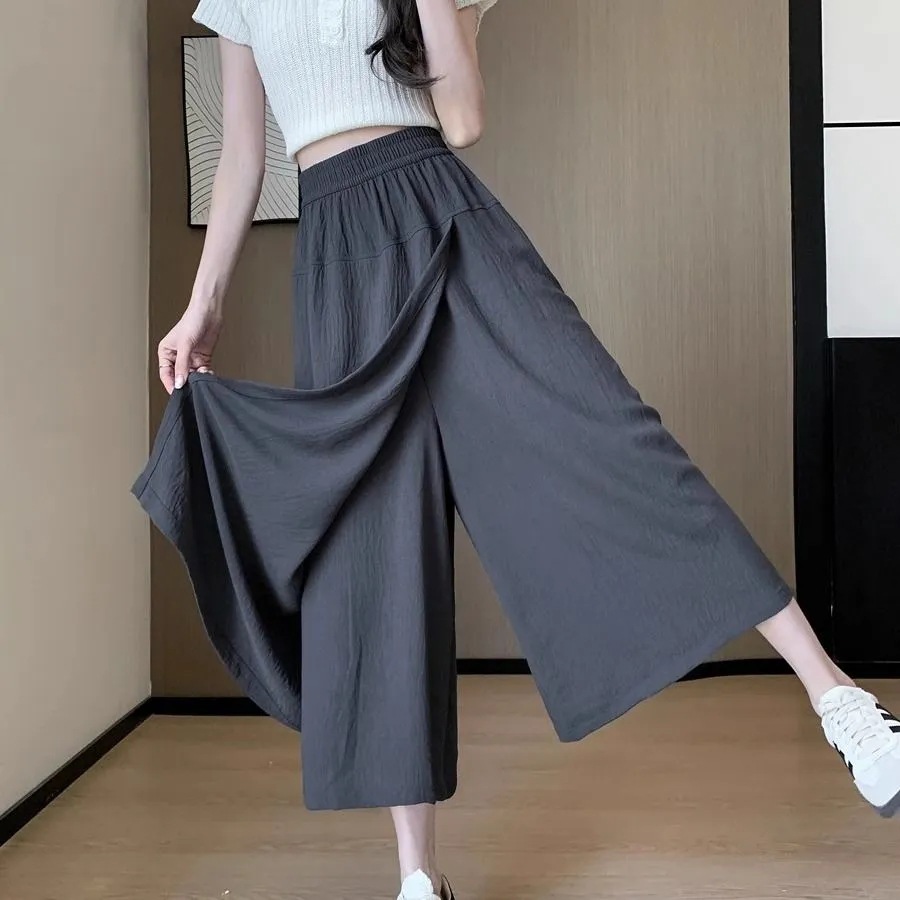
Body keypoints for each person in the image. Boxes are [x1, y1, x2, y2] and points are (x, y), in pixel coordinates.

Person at [137, 1, 900, 897]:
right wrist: (203, 307)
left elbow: (462, 121)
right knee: (372, 546)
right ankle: (417, 875)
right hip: (336, 251)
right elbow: (241, 153)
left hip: (441, 217)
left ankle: (839, 699)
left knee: (607, 436)